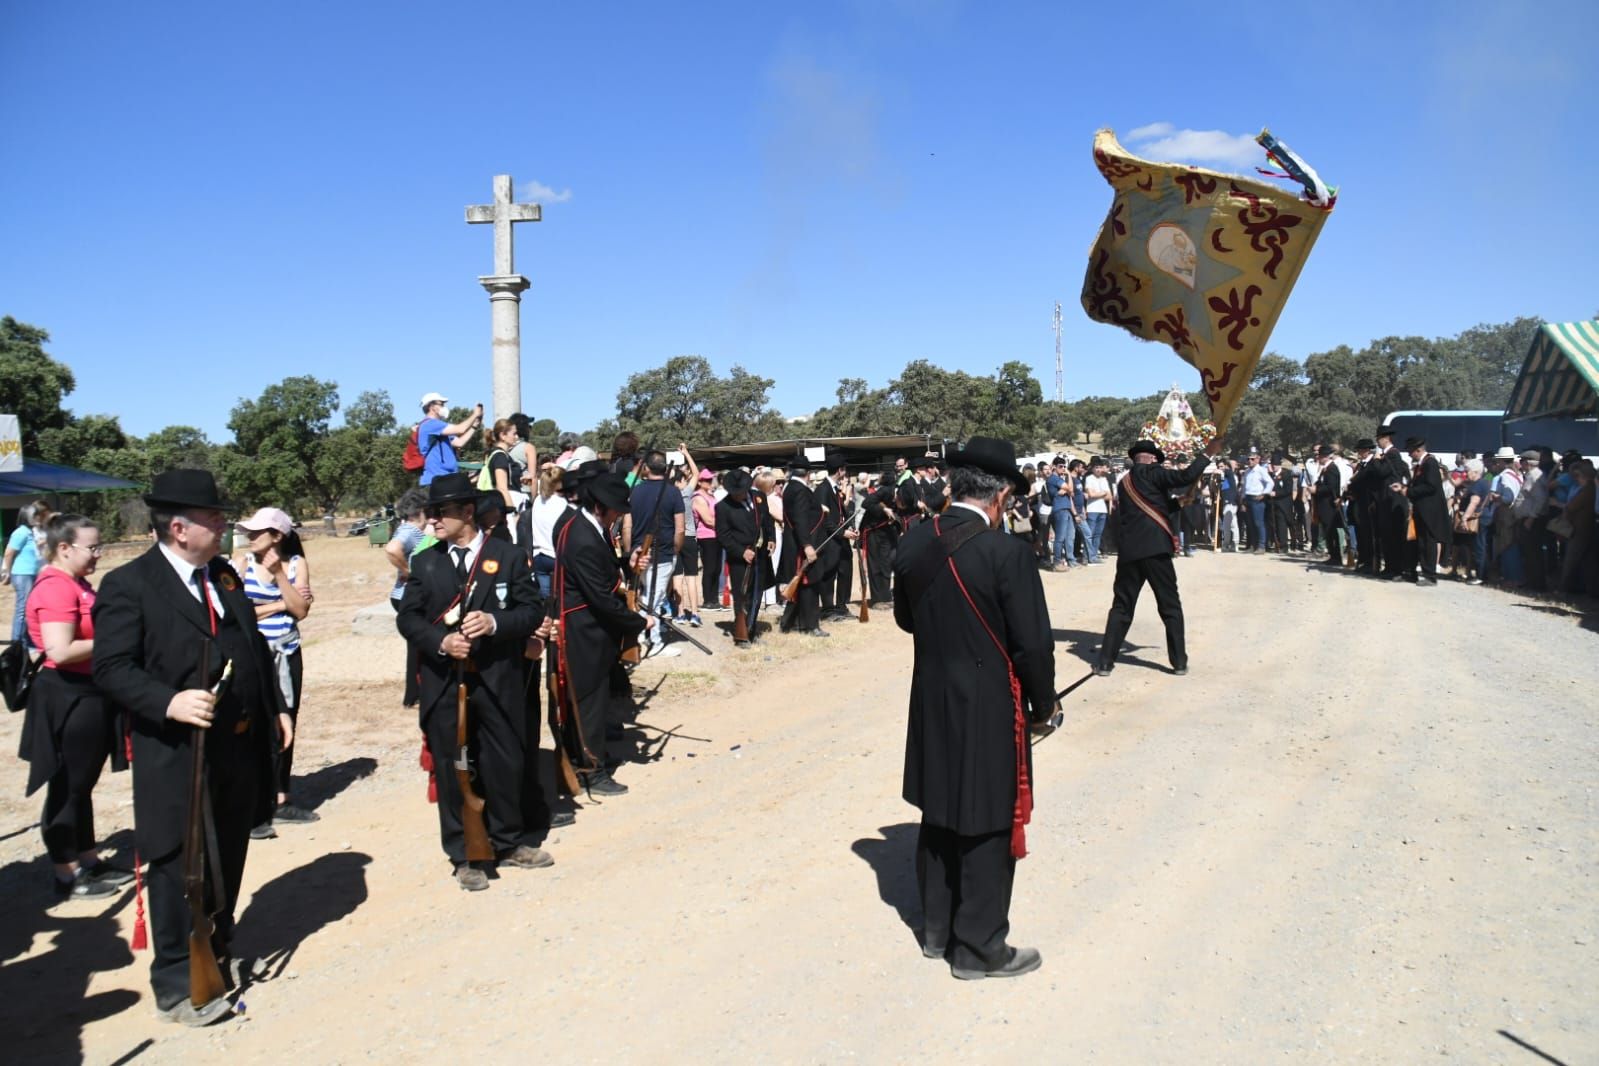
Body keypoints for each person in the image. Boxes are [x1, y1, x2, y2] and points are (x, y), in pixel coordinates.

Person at [92, 469, 288, 1026]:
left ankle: (217, 946)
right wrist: (168, 701)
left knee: (227, 849)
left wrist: (275, 709)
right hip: (175, 751)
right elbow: (111, 668)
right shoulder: (129, 585)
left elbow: (249, 646)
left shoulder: (221, 577)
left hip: (237, 746)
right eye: (214, 518)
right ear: (179, 528)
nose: (224, 525)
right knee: (179, 863)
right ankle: (179, 981)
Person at [893, 436, 1056, 980]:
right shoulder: (1006, 552)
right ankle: (979, 949)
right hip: (988, 700)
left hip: (931, 694)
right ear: (1003, 495)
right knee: (986, 820)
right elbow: (1032, 645)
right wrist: (1044, 704)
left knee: (939, 811)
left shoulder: (916, 541)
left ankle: (936, 931)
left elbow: (906, 621)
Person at [395, 473, 548, 892]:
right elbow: (407, 618)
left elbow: (532, 610)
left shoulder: (509, 555)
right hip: (447, 684)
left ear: (467, 513)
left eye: (440, 513)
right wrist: (441, 641)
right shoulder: (426, 562)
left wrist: (496, 622)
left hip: (498, 680)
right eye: (430, 513)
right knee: (452, 769)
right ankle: (464, 855)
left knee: (504, 762)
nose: (432, 521)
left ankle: (508, 840)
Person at [20, 514, 133, 901]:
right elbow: (60, 649)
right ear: (64, 548)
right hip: (67, 696)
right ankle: (66, 873)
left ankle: (88, 859)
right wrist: (119, 642)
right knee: (67, 786)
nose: (98, 554)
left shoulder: (76, 583)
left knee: (81, 785)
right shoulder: (55, 588)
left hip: (88, 692)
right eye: (93, 547)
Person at [548, 472, 649, 795]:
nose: (620, 514)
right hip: (583, 632)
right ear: (600, 506)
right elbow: (601, 598)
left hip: (590, 629)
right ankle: (591, 769)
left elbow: (603, 570)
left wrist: (627, 561)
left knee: (594, 701)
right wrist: (637, 622)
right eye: (616, 508)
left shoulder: (587, 528)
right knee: (587, 704)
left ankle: (589, 759)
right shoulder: (581, 536)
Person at [1094, 439, 1218, 677]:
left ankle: (1105, 662)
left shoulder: (1124, 482)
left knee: (1121, 607)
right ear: (1151, 458)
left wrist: (1177, 503)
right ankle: (1179, 661)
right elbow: (1185, 477)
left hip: (1130, 552)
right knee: (1170, 606)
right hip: (1156, 551)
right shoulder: (1154, 472)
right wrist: (1208, 453)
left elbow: (1148, 510)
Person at [232, 507, 315, 836]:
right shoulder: (239, 565)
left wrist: (281, 577)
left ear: (277, 536)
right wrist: (282, 603)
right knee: (253, 725)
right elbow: (240, 615)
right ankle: (254, 801)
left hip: (287, 654)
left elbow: (302, 611)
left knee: (286, 722)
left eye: (256, 532)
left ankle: (281, 798)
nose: (249, 536)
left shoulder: (296, 565)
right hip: (254, 657)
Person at [623, 451, 685, 658]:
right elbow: (680, 529)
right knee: (653, 599)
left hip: (639, 552)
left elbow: (627, 526)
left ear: (646, 468)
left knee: (648, 596)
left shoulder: (636, 491)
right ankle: (653, 640)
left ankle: (642, 635)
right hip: (661, 553)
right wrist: (675, 549)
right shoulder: (673, 492)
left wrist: (629, 551)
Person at [715, 469, 776, 647]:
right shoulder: (722, 507)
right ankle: (742, 634)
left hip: (760, 555)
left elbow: (767, 521)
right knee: (742, 596)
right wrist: (741, 551)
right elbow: (723, 535)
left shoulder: (759, 497)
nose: (739, 495)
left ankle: (752, 629)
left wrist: (771, 538)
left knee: (757, 594)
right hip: (740, 559)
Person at [384, 489, 429, 706]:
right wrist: (409, 572)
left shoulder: (408, 529)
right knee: (417, 645)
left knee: (417, 644)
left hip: (402, 594)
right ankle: (414, 694)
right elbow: (392, 549)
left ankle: (415, 693)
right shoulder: (410, 530)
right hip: (406, 595)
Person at [777, 458, 826, 636]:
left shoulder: (792, 488)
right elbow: (800, 519)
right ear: (808, 473)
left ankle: (791, 623)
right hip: (803, 544)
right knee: (808, 585)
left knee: (802, 585)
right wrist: (807, 545)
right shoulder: (800, 490)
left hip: (799, 541)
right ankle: (810, 625)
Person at [814, 451, 856, 623]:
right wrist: (842, 532)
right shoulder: (822, 489)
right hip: (830, 540)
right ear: (840, 470)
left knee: (845, 571)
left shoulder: (835, 488)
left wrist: (851, 527)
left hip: (842, 538)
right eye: (844, 469)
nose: (845, 473)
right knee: (829, 575)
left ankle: (841, 606)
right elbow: (825, 520)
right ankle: (828, 609)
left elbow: (841, 513)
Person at [1406, 437, 1448, 586]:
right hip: (1421, 509)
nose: (1410, 455)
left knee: (1429, 542)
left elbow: (1431, 486)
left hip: (1430, 510)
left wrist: (1410, 491)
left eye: (1411, 451)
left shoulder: (1430, 463)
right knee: (1422, 542)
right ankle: (1424, 571)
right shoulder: (1421, 464)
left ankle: (1430, 575)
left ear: (1419, 450)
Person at [416, 393, 483, 486]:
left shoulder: (440, 427)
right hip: (436, 479)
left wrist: (474, 426)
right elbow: (460, 429)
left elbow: (460, 442)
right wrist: (475, 414)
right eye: (441, 404)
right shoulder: (430, 425)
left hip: (446, 478)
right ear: (432, 407)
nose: (444, 407)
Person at [4, 502, 46, 642]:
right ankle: (16, 642)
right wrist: (7, 573)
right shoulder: (21, 532)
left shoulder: (31, 532)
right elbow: (9, 553)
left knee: (31, 609)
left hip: (32, 574)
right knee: (23, 609)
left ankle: (26, 640)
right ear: (26, 517)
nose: (38, 517)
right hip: (23, 574)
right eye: (35, 515)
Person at [524, 465, 568, 599]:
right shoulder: (563, 503)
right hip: (556, 555)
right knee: (561, 596)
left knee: (545, 598)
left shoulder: (537, 500)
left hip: (538, 554)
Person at [1375, 424, 1411, 580]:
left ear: (1385, 439)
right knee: (1387, 536)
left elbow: (1383, 472)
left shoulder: (1393, 455)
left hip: (1393, 501)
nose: (1377, 442)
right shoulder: (1387, 455)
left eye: (1379, 439)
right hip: (1386, 500)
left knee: (1395, 537)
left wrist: (1377, 461)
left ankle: (1397, 569)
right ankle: (1390, 567)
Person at [692, 468, 723, 613]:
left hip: (717, 536)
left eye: (711, 479)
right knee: (709, 568)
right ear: (699, 482)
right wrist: (726, 525)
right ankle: (707, 600)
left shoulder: (711, 496)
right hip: (706, 536)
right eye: (707, 480)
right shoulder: (698, 498)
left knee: (717, 568)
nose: (710, 482)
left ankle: (715, 599)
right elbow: (708, 520)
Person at [1311, 445, 1344, 566]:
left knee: (1331, 531)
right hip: (1323, 505)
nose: (1318, 458)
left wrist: (1317, 489)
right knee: (1327, 531)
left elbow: (1331, 487)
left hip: (1329, 505)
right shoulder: (1325, 469)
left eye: (1320, 455)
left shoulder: (1332, 469)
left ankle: (1336, 556)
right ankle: (1332, 555)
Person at [1082, 458, 1112, 561]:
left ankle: (1093, 556)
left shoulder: (1104, 479)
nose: (1098, 470)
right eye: (1096, 468)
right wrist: (1102, 493)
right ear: (1092, 469)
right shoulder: (1089, 478)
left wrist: (1097, 494)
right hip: (1092, 509)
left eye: (1100, 467)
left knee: (1098, 534)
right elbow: (1091, 494)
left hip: (1102, 509)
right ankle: (1087, 555)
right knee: (1090, 533)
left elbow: (1109, 496)